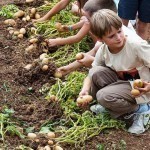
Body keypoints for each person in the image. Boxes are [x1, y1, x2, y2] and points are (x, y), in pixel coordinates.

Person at [79, 9, 150, 134]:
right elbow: (91, 72)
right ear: (100, 39)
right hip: (124, 81)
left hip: (142, 88)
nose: (119, 38)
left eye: (119, 31)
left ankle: (141, 109)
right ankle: (112, 104)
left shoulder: (136, 46)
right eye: (112, 36)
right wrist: (84, 90)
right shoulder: (104, 50)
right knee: (96, 72)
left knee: (103, 96)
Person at [46, 0, 117, 47]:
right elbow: (86, 22)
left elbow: (77, 38)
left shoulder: (96, 22)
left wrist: (56, 41)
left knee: (91, 29)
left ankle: (96, 48)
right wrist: (70, 28)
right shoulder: (96, 18)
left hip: (105, 46)